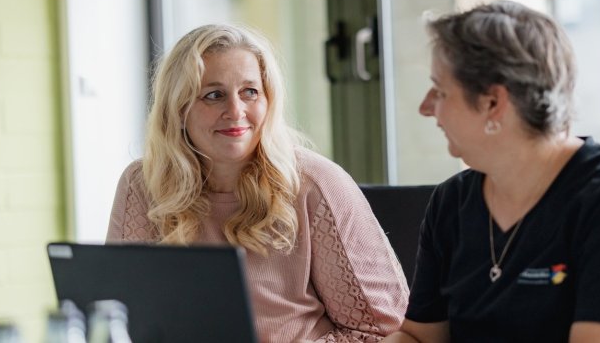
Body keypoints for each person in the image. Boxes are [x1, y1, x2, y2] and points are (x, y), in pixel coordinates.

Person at [383, 1, 600, 343]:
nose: (426, 108)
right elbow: (420, 338)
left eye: (440, 91)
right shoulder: (451, 202)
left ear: (493, 103)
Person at [106, 23, 409, 342]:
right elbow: (118, 316)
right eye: (214, 95)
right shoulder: (143, 183)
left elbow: (383, 331)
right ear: (179, 110)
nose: (235, 111)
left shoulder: (317, 184)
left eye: (250, 92)